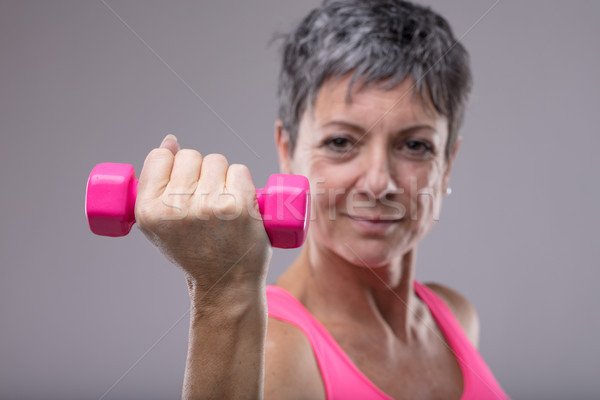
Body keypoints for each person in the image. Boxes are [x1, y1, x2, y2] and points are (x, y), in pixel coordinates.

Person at [135, 0, 510, 398]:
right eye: (341, 142)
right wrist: (224, 293)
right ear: (288, 150)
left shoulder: (453, 314)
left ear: (447, 162)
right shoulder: (277, 351)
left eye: (415, 145)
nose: (379, 182)